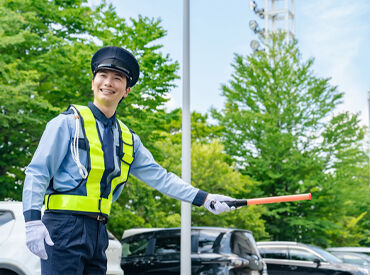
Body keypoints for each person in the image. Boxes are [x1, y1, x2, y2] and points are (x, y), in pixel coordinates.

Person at [22, 46, 235, 274]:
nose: (108, 82)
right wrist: (32, 221)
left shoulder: (128, 139)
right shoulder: (66, 123)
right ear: (93, 82)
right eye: (102, 75)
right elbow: (38, 172)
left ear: (126, 91)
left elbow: (161, 178)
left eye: (117, 78)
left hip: (99, 230)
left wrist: (205, 199)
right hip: (62, 227)